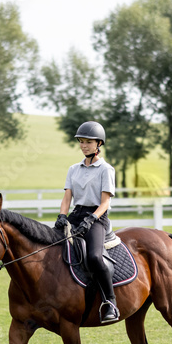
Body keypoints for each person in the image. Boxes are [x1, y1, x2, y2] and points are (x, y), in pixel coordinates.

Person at [54, 121, 119, 323]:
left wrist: (92, 218)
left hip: (97, 217)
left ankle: (110, 302)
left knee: (94, 256)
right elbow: (67, 197)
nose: (84, 145)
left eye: (88, 142)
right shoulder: (73, 169)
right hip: (76, 214)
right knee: (50, 246)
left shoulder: (105, 169)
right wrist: (62, 216)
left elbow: (105, 202)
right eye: (81, 142)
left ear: (99, 143)